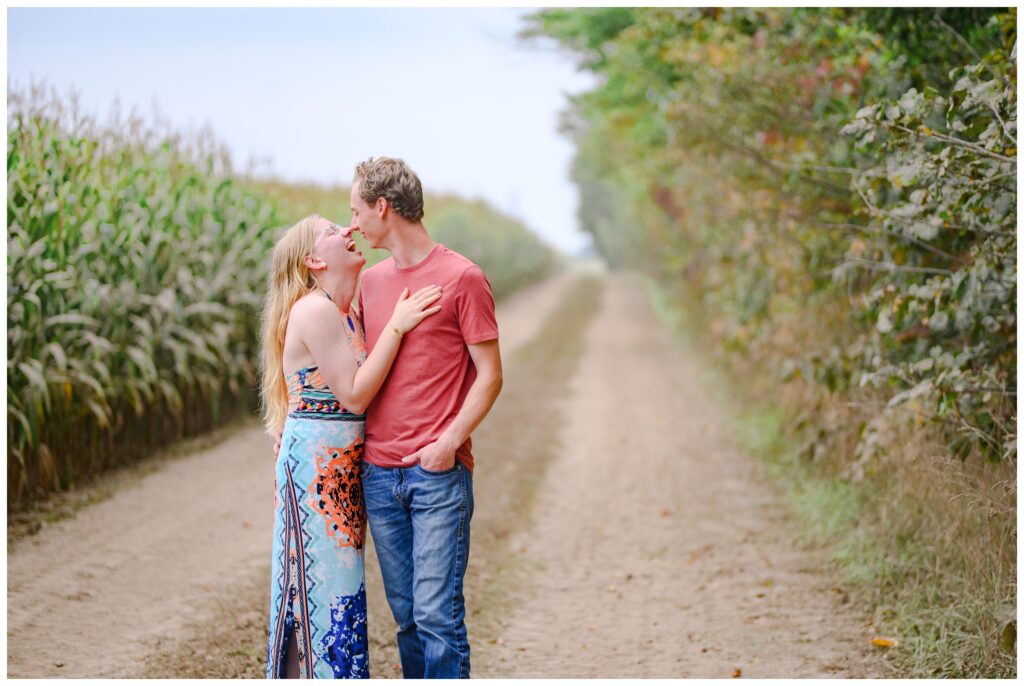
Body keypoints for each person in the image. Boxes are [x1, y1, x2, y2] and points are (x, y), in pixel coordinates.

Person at [259, 214, 442, 679]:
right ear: (315, 260)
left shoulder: (346, 310)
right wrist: (397, 326)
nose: (348, 231)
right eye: (332, 231)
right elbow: (356, 394)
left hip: (340, 470)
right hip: (317, 472)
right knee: (318, 593)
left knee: (340, 592)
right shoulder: (314, 310)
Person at [350, 157, 504, 679]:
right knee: (409, 620)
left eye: (356, 211)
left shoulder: (463, 277)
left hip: (437, 475)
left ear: (382, 207)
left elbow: (490, 376)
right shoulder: (370, 284)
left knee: (438, 617)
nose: (353, 223)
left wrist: (448, 443)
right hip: (379, 475)